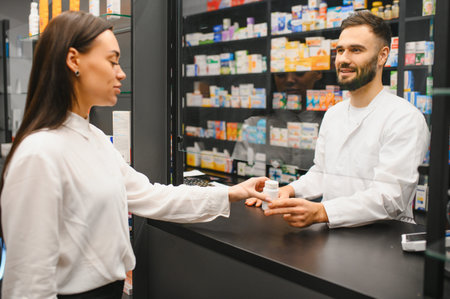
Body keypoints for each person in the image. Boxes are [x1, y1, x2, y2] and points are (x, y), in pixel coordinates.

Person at [0, 11, 268, 298]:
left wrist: (230, 193)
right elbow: (28, 284)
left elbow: (154, 196)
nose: (121, 72)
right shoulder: (39, 153)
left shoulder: (96, 140)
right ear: (74, 60)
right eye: (112, 60)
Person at [247, 11, 430, 228]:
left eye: (356, 50)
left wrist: (322, 211)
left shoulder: (404, 118)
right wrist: (288, 190)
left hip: (382, 242)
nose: (343, 59)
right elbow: (322, 173)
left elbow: (391, 198)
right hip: (332, 235)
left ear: (382, 56)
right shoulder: (334, 114)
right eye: (340, 50)